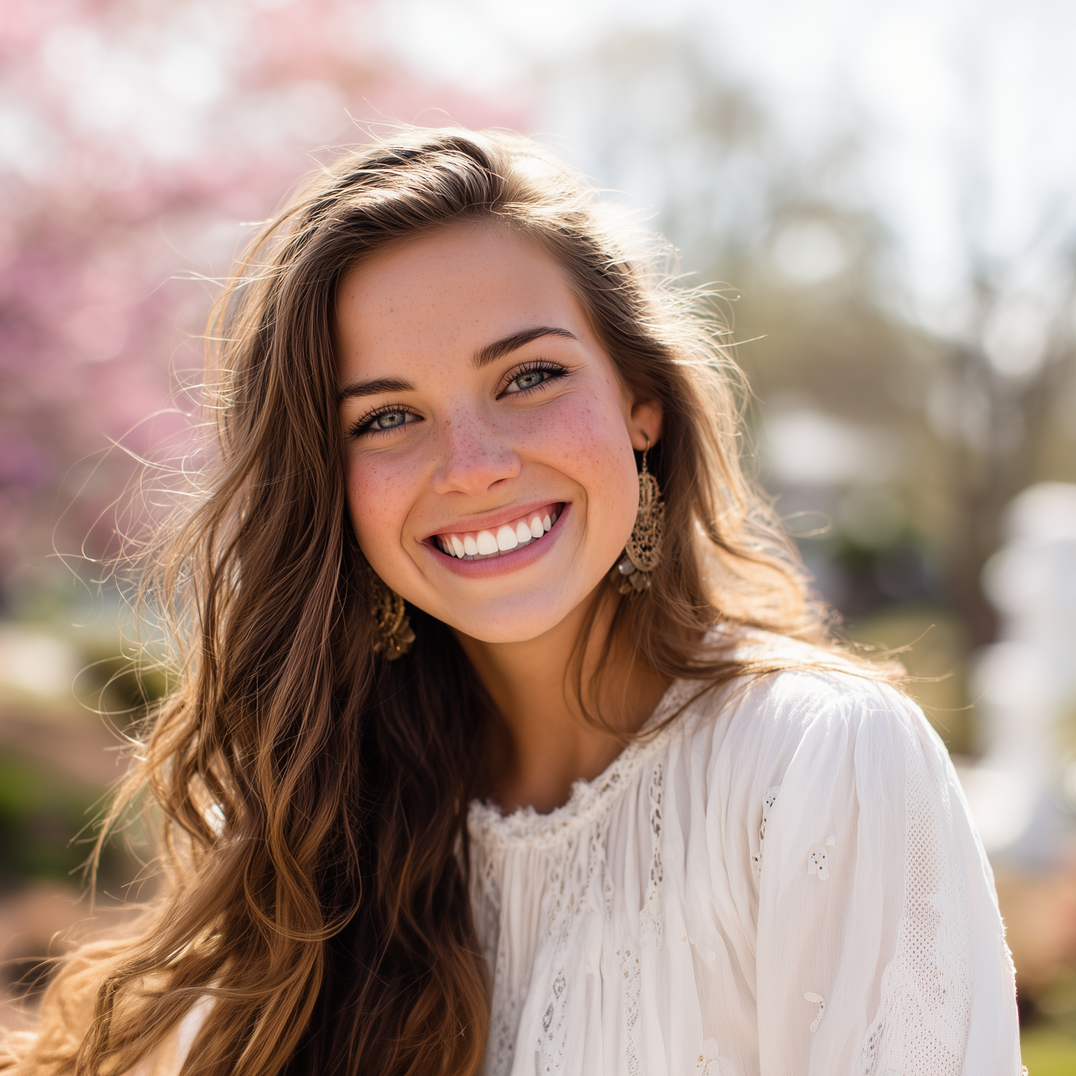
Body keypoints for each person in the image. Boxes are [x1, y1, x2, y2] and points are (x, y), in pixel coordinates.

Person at [2, 128, 1021, 1076]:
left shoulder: (814, 761)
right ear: (328, 482)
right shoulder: (314, 808)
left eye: (528, 376)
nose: (474, 465)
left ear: (639, 401)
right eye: (387, 415)